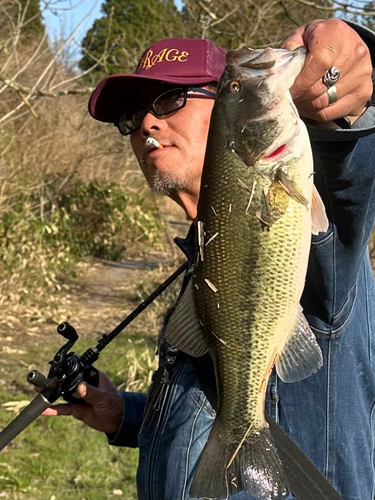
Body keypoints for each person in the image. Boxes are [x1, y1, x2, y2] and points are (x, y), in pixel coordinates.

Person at [43, 18, 375, 500]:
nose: (148, 126)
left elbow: (351, 171)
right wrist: (131, 417)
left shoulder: (320, 237)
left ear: (225, 105)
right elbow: (211, 405)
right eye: (131, 120)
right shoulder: (202, 258)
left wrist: (351, 81)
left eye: (170, 100)